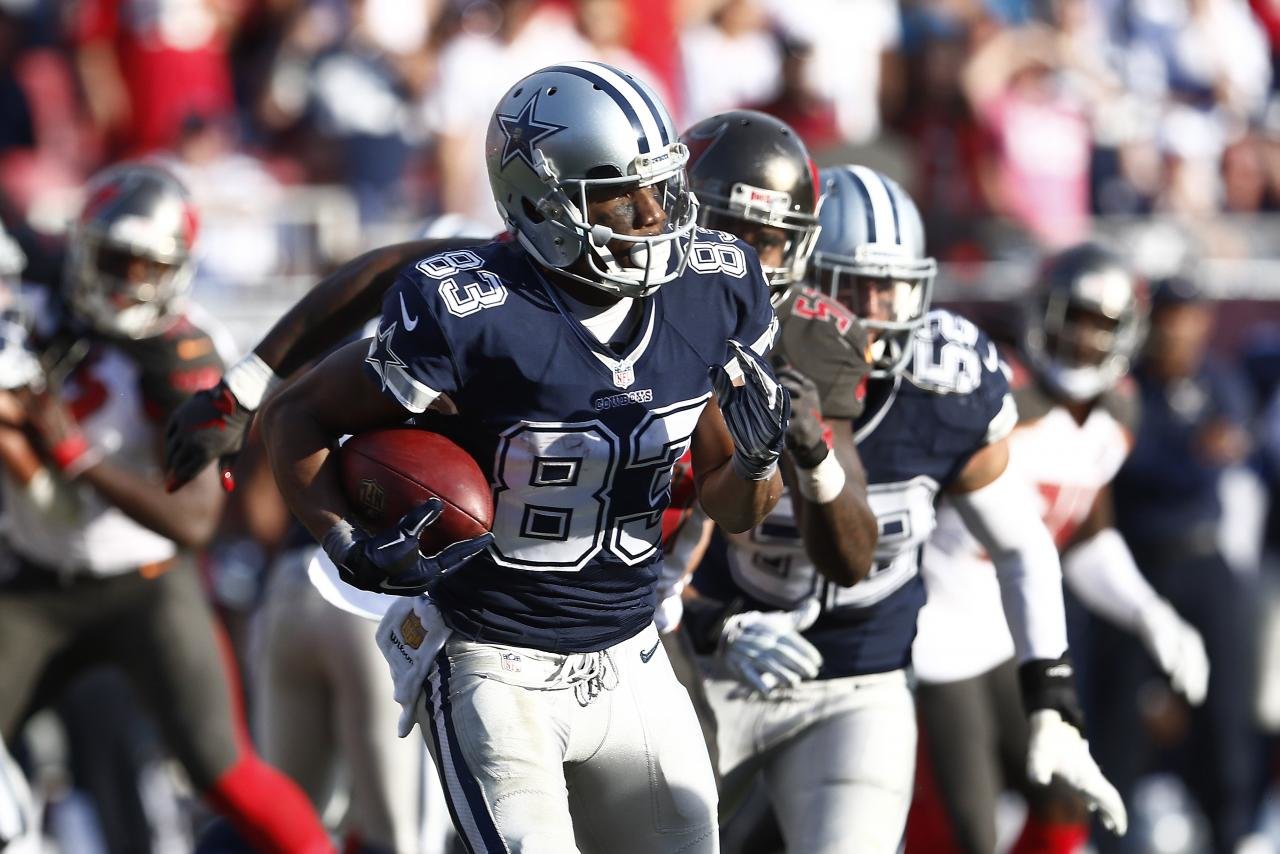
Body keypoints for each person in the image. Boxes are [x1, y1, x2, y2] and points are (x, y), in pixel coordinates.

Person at [261, 62, 790, 852]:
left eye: (660, 186)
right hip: (491, 658)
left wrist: (755, 462)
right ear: (539, 200)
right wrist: (345, 542)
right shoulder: (472, 310)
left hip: (632, 654)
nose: (652, 215)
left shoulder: (713, 286)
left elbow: (731, 500)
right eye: (617, 190)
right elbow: (299, 415)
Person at [687, 165, 1126, 853]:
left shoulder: (943, 382)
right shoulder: (730, 366)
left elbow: (1022, 547)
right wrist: (717, 626)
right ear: (802, 280)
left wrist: (1052, 697)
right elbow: (649, 557)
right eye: (859, 286)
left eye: (895, 286)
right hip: (716, 664)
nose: (881, 310)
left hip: (862, 681)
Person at [0, 162, 333, 852]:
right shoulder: (31, 301)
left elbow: (197, 522)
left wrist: (73, 456)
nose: (126, 283)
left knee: (225, 771)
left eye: (145, 267)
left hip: (145, 584)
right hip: (34, 579)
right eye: (113, 260)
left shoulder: (183, 350)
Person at [908, 244, 1209, 854]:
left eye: (1101, 325)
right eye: (1072, 316)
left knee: (1064, 797)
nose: (1083, 338)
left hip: (1013, 637)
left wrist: (1149, 612)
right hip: (932, 633)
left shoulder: (1116, 414)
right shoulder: (994, 394)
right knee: (969, 828)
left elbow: (1084, 539)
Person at [1098, 275, 1262, 854]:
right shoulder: (1128, 388)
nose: (1179, 331)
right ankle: (1108, 835)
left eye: (1189, 317)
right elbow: (1138, 468)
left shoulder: (1218, 379)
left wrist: (1189, 460)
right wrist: (1193, 457)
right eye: (1169, 317)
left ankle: (1233, 833)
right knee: (1121, 716)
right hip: (1140, 566)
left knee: (1226, 714)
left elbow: (1225, 456)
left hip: (1205, 560)